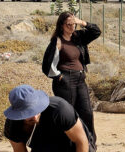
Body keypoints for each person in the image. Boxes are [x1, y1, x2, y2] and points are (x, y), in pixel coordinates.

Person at [42, 12, 101, 143]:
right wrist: (59, 76)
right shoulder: (57, 41)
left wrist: (82, 23)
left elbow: (96, 31)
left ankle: (90, 145)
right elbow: (47, 64)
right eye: (68, 24)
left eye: (73, 24)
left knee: (87, 113)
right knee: (68, 114)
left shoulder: (78, 37)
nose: (72, 27)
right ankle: (68, 146)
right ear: (61, 25)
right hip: (65, 81)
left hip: (80, 79)